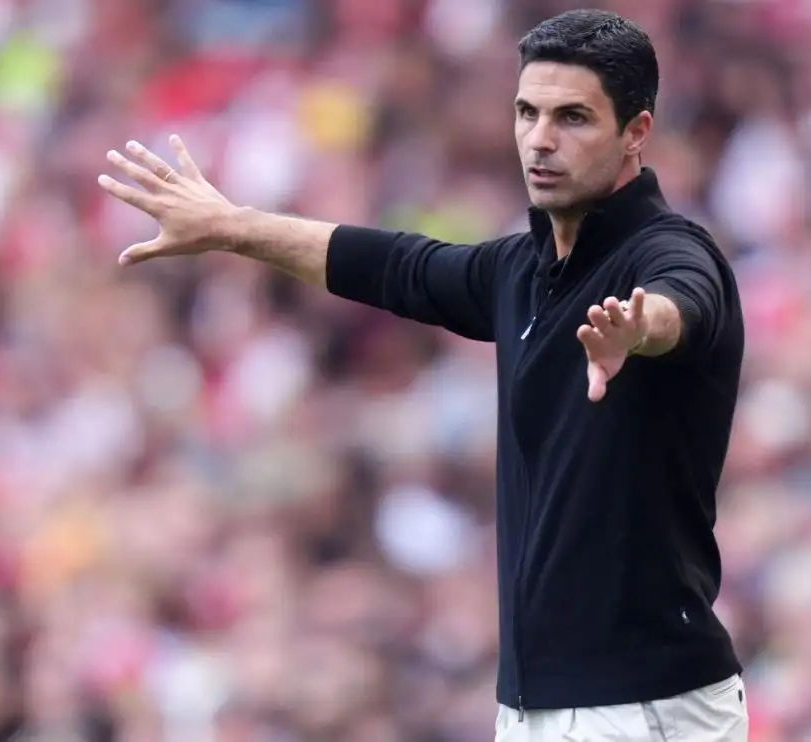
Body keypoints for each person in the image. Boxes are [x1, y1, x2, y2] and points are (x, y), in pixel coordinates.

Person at [97, 9, 747, 742]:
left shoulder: (670, 250)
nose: (540, 138)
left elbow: (684, 301)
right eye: (527, 112)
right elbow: (393, 264)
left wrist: (641, 327)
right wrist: (232, 227)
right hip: (538, 705)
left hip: (644, 705)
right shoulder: (522, 271)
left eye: (573, 117)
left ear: (636, 132)